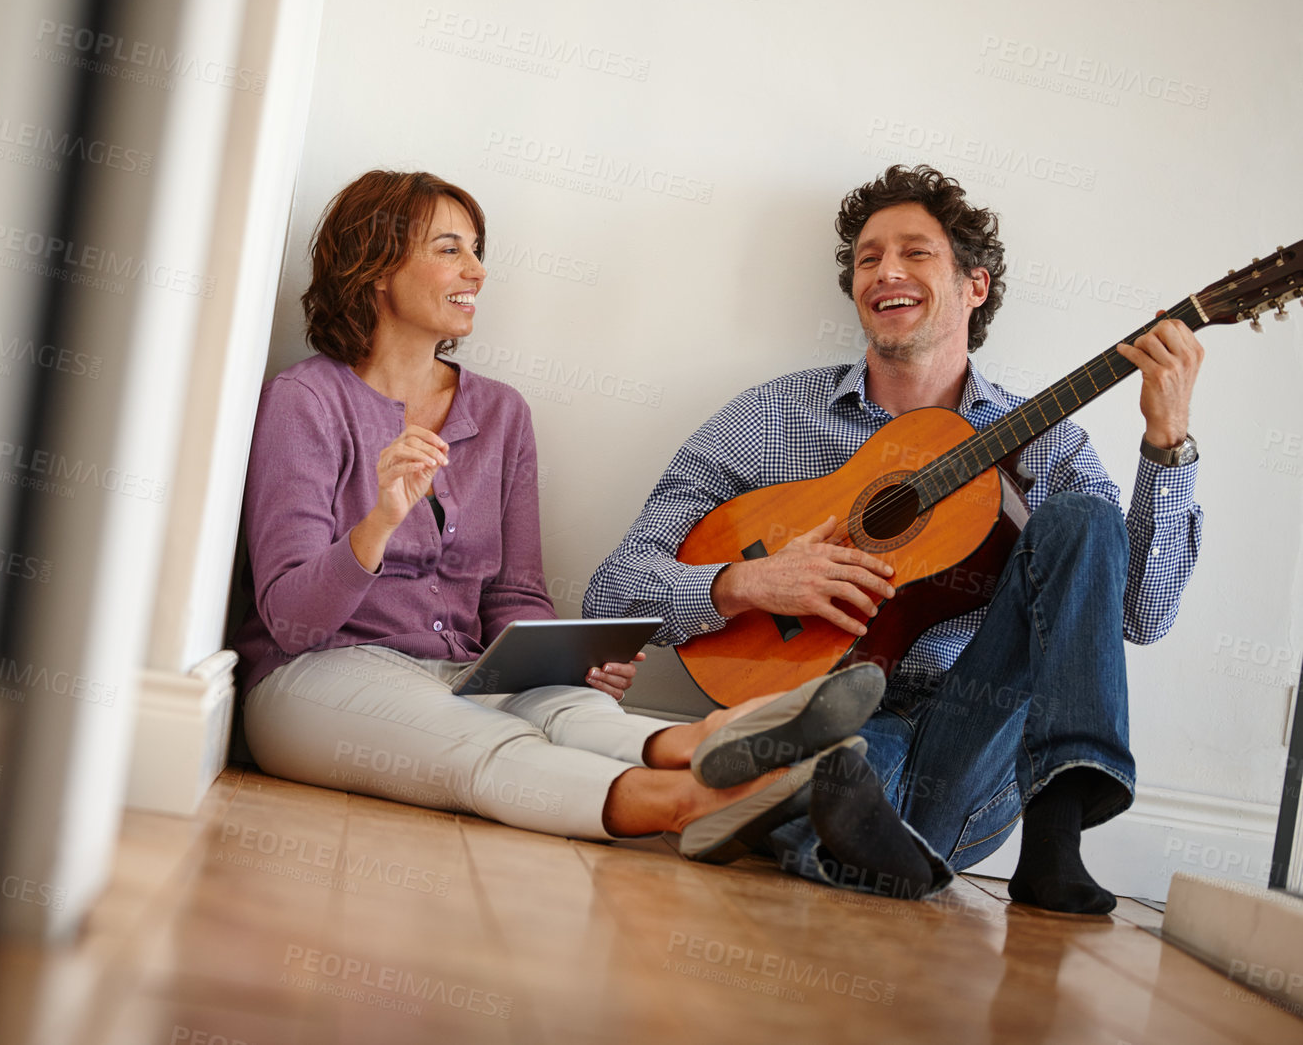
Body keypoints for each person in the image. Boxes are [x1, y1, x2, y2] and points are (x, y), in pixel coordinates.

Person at [585, 164, 1204, 912]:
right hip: (825, 715)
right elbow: (612, 591)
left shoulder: (1050, 444)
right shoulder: (771, 419)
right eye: (869, 257)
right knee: (838, 772)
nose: (886, 272)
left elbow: (1138, 615)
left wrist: (1167, 446)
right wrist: (748, 582)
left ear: (975, 286)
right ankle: (835, 828)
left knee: (1084, 518)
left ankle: (1056, 829)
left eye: (916, 252)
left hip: (974, 734)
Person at [232, 170, 888, 853]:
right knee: (482, 743)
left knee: (574, 709)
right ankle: (688, 802)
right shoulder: (304, 402)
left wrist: (563, 659)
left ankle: (711, 739)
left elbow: (515, 592)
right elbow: (291, 620)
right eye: (450, 248)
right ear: (374, 268)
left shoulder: (500, 412)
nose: (478, 271)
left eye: (478, 249)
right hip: (315, 677)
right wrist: (379, 523)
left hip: (462, 670)